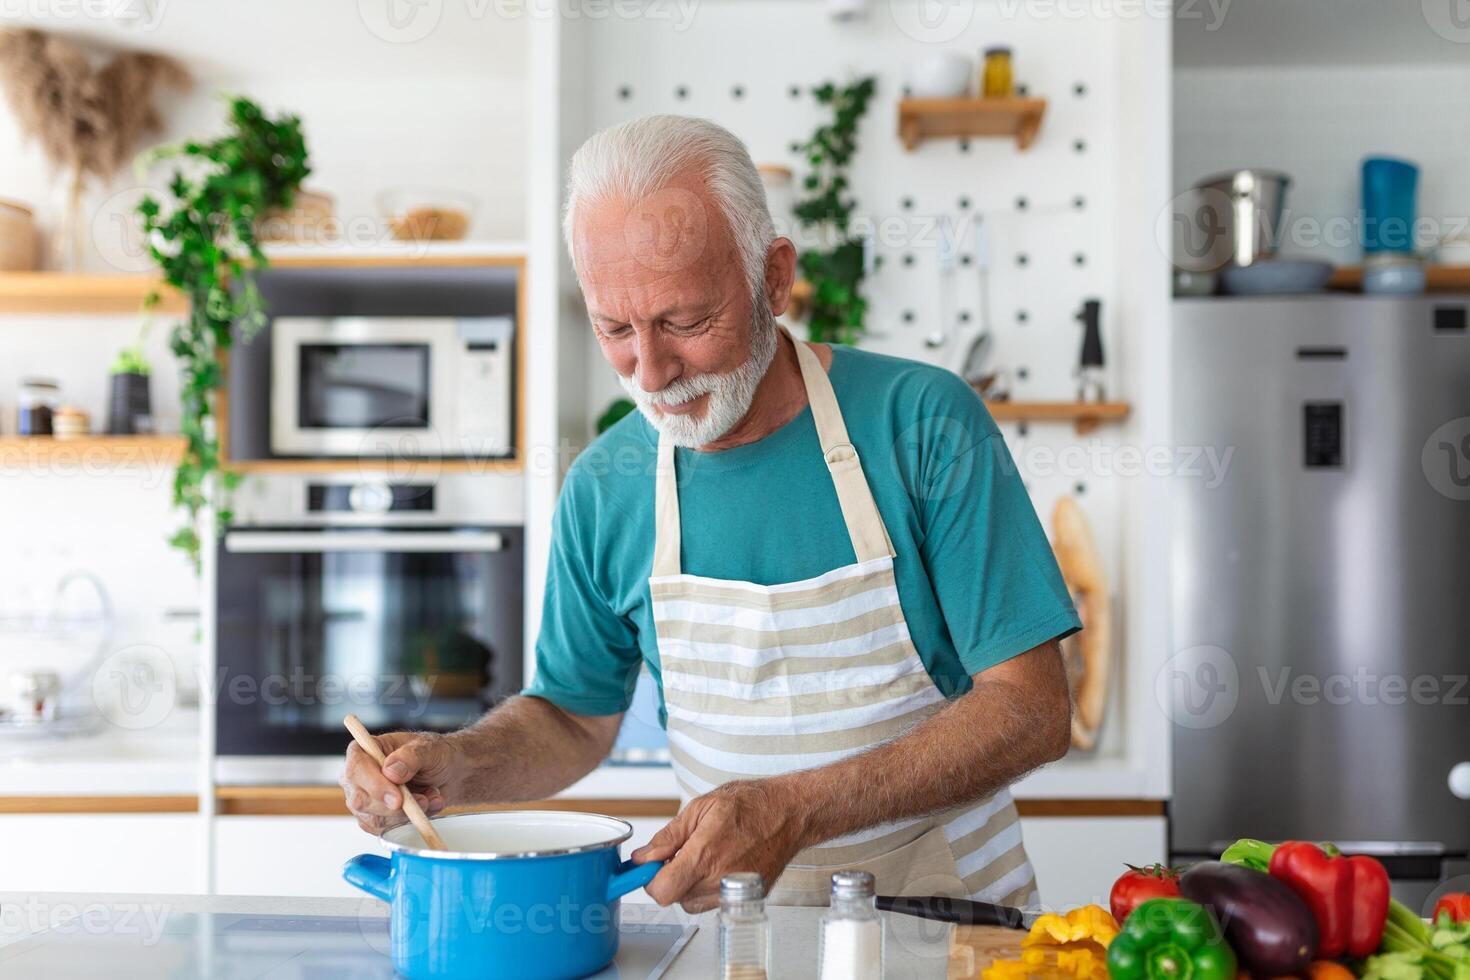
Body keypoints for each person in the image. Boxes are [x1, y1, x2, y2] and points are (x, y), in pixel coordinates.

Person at [341, 115, 1079, 913]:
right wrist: (458, 764)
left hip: (954, 920)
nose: (652, 372)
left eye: (685, 322)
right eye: (614, 329)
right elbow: (572, 718)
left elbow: (1031, 709)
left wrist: (794, 809)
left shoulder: (921, 423)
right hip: (737, 935)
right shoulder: (605, 487)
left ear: (773, 278)